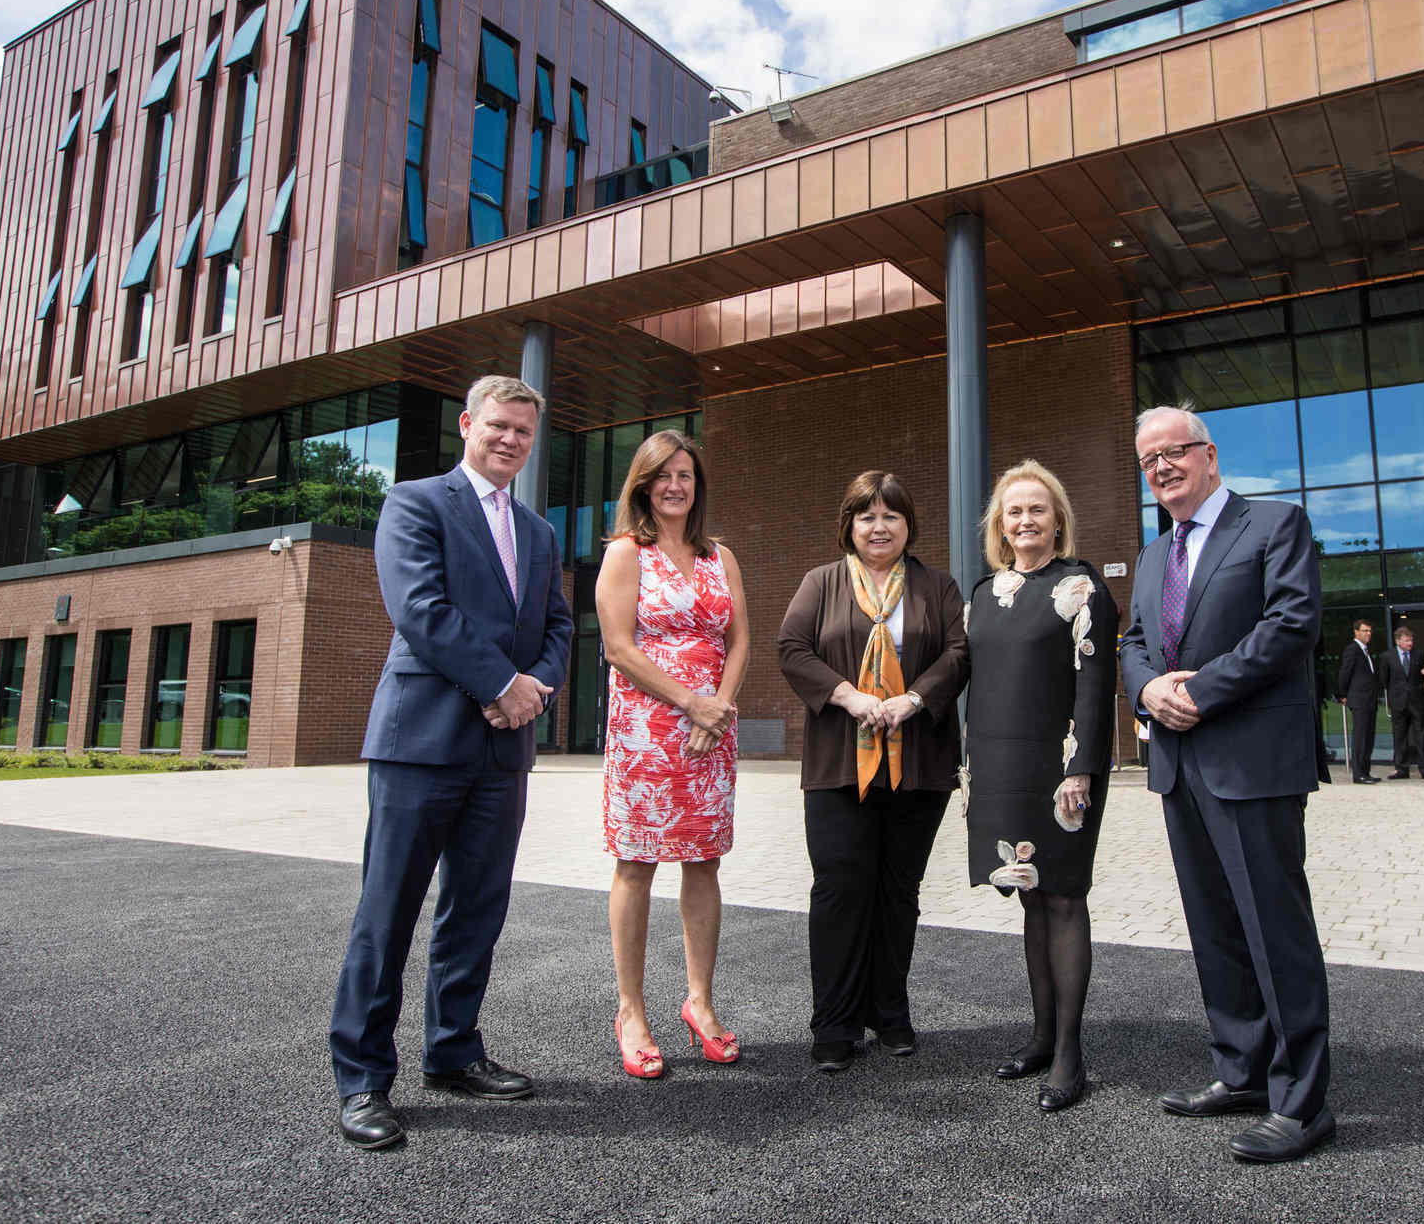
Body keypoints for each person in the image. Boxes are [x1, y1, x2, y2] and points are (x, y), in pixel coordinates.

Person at [329, 375, 573, 1151]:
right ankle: (364, 1079)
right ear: (469, 424)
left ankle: (454, 1051)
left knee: (476, 909)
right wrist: (501, 684)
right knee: (388, 913)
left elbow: (561, 624)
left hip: (503, 752)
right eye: (498, 426)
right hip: (421, 744)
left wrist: (534, 690)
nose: (510, 441)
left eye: (523, 433)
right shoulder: (415, 502)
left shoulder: (538, 532)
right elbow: (420, 610)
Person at [1120, 406, 1334, 1164]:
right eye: (1148, 461)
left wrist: (1198, 690)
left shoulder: (1275, 525)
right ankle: (1240, 1071)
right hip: (1180, 767)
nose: (1161, 468)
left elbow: (1292, 623)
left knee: (1275, 933)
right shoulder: (1152, 556)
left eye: (1173, 453)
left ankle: (1302, 1104)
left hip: (1252, 761)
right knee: (1215, 931)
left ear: (1208, 454)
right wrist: (1148, 692)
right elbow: (1136, 643)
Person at [777, 472, 968, 1073]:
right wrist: (848, 696)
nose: (879, 527)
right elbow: (792, 648)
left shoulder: (937, 586)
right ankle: (834, 1022)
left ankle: (889, 1012)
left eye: (891, 516)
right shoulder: (821, 582)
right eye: (867, 516)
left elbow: (959, 653)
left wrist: (913, 699)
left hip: (919, 761)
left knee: (897, 891)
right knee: (839, 890)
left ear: (909, 525)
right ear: (849, 525)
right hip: (840, 759)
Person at [963, 460, 1119, 1114]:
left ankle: (1070, 1053)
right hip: (998, 768)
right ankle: (1039, 1035)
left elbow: (1094, 683)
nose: (1024, 520)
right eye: (1013, 510)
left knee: (1063, 899)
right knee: (1029, 897)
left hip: (1060, 769)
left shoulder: (1082, 588)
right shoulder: (982, 591)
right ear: (1000, 523)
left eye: (1037, 509)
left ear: (1058, 518)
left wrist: (1081, 765)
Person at [596, 430, 751, 1078]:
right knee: (637, 865)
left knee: (704, 864)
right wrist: (693, 703)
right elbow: (618, 648)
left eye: (685, 475)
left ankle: (701, 1004)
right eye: (663, 475)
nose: (674, 486)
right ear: (643, 484)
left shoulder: (721, 556)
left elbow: (741, 638)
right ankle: (631, 1012)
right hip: (647, 731)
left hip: (710, 732)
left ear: (697, 484)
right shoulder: (626, 553)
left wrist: (717, 708)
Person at [1378, 627, 1424, 780]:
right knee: (1400, 736)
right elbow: (1384, 679)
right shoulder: (1387, 656)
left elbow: (1423, 677)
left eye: (1411, 640)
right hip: (1398, 702)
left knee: (1421, 735)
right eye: (1407, 640)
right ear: (1398, 641)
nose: (1410, 643)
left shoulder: (1419, 654)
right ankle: (1401, 769)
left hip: (1417, 701)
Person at [1336, 619, 1378, 784]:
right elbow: (1345, 673)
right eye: (1365, 631)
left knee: (1368, 736)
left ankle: (1365, 771)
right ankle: (1359, 773)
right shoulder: (1352, 649)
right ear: (1356, 632)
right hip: (1359, 699)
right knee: (1360, 737)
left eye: (1369, 631)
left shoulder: (1365, 650)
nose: (1368, 634)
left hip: (1369, 699)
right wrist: (1342, 694)